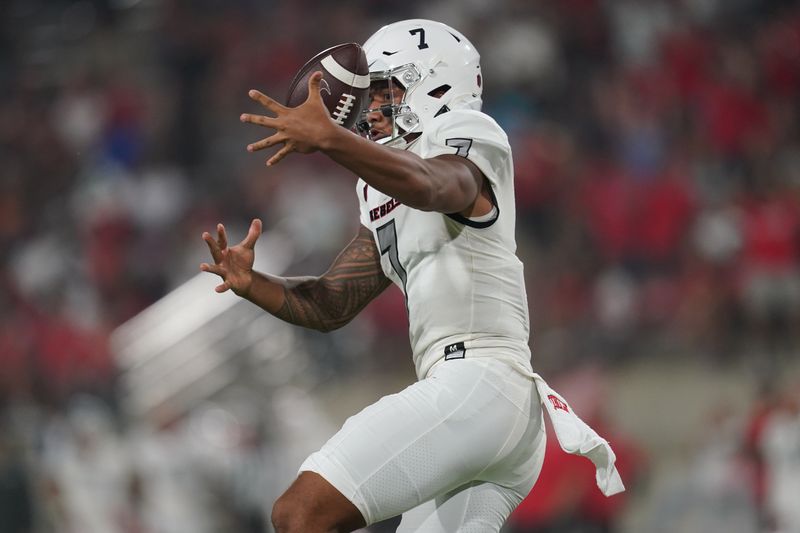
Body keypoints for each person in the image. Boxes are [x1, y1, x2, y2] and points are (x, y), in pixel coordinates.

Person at [201, 19, 623, 533]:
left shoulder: (466, 129)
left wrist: (332, 140)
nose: (370, 109)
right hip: (480, 406)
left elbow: (434, 185)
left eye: (383, 90)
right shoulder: (379, 186)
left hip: (482, 382)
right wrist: (254, 284)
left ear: (435, 83)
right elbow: (331, 304)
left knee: (300, 513)